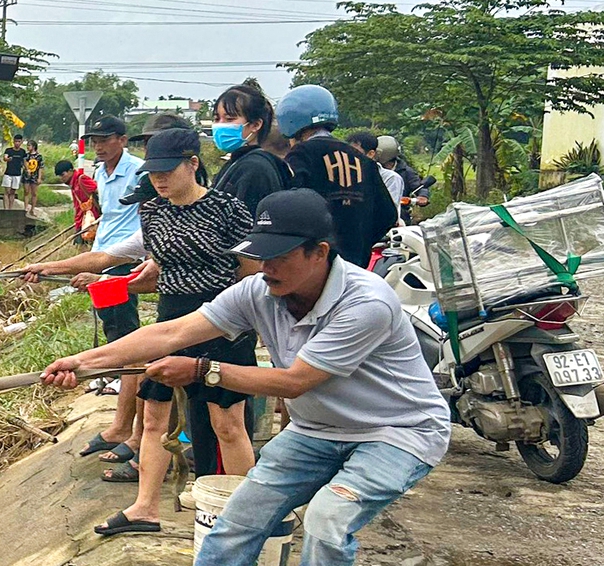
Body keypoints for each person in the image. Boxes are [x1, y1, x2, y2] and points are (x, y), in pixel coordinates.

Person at [42, 189, 451, 566]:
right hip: (317, 431)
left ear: (319, 252)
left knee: (329, 518)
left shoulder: (365, 302)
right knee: (241, 513)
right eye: (260, 253)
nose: (265, 266)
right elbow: (173, 332)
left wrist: (203, 370)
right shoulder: (260, 291)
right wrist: (85, 363)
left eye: (279, 255)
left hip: (397, 433)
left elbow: (295, 381)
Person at [28, 125, 258, 534]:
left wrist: (236, 321)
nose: (160, 179)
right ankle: (144, 509)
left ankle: (244, 518)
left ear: (192, 164)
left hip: (223, 322)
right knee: (154, 418)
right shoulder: (153, 212)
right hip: (171, 318)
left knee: (227, 423)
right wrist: (61, 270)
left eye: (168, 170)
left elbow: (251, 275)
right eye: (154, 173)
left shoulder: (229, 210)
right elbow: (149, 271)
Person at [55, 113, 146, 469]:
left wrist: (108, 270)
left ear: (122, 140)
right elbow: (107, 217)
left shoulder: (140, 172)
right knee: (115, 336)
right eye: (94, 140)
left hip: (123, 263)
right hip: (104, 258)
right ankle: (121, 425)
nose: (99, 146)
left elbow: (144, 226)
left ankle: (125, 427)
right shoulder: (100, 175)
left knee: (127, 344)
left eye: (106, 139)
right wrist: (88, 259)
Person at [277, 86, 397, 268]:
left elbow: (289, 208)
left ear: (290, 122)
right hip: (356, 267)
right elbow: (388, 215)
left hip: (314, 268)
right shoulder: (364, 161)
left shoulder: (302, 155)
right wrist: (360, 244)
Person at [209, 80, 291, 217]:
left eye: (229, 119)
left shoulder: (254, 168)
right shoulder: (239, 161)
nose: (220, 125)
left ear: (255, 125)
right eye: (217, 119)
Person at [374, 135, 428, 223]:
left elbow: (419, 186)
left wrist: (422, 196)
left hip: (400, 214)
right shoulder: (372, 169)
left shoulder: (406, 171)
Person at [0, 138, 29, 209]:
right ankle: (6, 209)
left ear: (21, 142)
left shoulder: (22, 151)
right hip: (8, 173)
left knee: (13, 192)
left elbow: (25, 161)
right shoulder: (9, 150)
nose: (17, 143)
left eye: (19, 141)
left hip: (17, 174)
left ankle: (10, 208)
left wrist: (27, 169)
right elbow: (5, 157)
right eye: (16, 141)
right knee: (7, 191)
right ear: (13, 142)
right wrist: (7, 159)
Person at [20, 140, 44, 209]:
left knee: (34, 193)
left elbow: (40, 167)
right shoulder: (26, 155)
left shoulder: (39, 156)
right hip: (26, 175)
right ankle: (26, 207)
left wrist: (39, 177)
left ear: (33, 147)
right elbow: (24, 164)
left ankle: (32, 208)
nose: (27, 147)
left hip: (35, 176)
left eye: (29, 145)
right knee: (26, 191)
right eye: (27, 145)